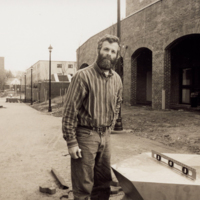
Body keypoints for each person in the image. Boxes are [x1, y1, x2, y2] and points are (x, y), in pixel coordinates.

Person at [62, 34, 123, 200]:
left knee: (103, 183)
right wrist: (72, 142)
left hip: (106, 136)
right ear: (99, 50)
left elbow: (117, 104)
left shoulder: (117, 79)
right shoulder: (82, 76)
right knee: (83, 187)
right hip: (85, 136)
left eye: (113, 51)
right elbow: (69, 112)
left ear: (116, 55)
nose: (109, 54)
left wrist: (109, 127)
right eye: (106, 49)